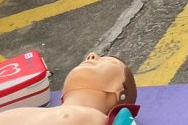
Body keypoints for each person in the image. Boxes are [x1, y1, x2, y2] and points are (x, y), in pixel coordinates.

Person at [0, 53, 137, 124]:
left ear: (121, 94)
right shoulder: (27, 112)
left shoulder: (98, 120)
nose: (91, 55)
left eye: (109, 62)